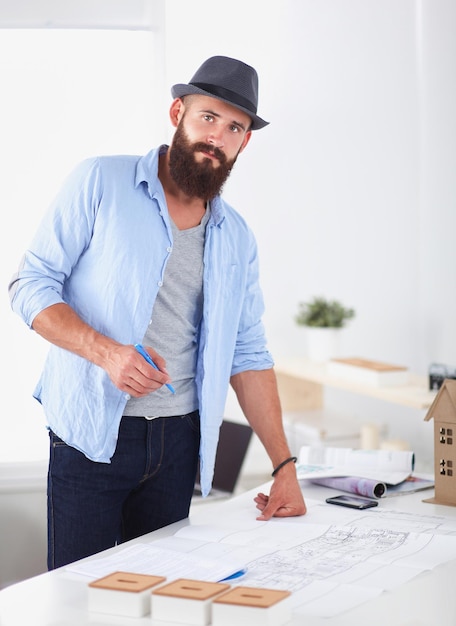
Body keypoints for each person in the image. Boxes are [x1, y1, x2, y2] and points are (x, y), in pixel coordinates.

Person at [8, 55, 307, 570]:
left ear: (245, 142)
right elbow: (29, 284)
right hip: (92, 435)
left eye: (234, 127)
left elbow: (248, 352)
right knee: (78, 601)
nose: (217, 136)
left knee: (160, 598)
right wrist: (106, 353)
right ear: (178, 113)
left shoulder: (236, 237)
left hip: (178, 444)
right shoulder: (101, 180)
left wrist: (284, 465)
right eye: (208, 117)